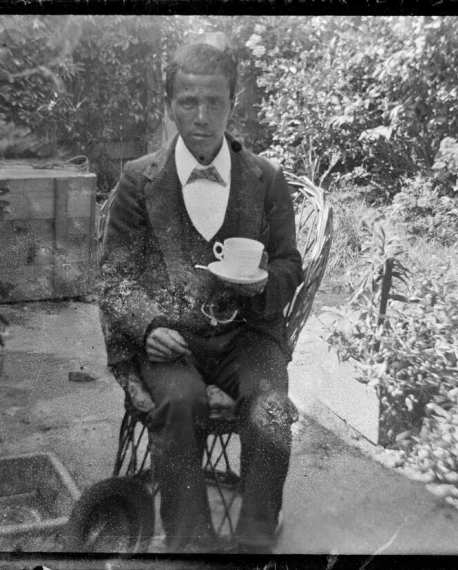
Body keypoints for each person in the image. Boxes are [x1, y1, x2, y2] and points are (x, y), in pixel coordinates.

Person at [99, 41, 303, 554]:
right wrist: (148, 326)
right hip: (174, 340)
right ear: (169, 105)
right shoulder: (138, 179)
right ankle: (191, 548)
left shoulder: (266, 178)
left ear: (233, 103)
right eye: (188, 102)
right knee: (180, 402)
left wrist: (264, 284)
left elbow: (289, 263)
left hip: (247, 336)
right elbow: (115, 277)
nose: (202, 117)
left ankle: (255, 544)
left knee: (271, 408)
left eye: (215, 102)